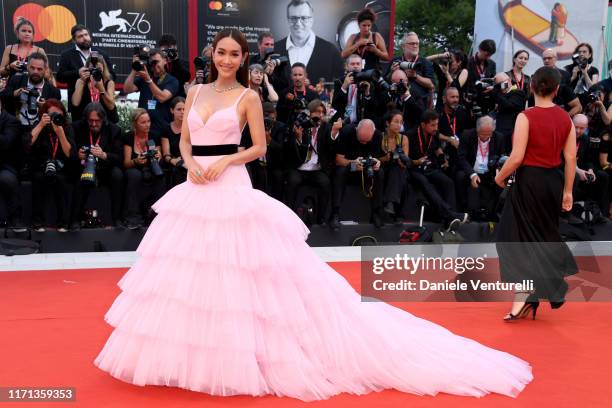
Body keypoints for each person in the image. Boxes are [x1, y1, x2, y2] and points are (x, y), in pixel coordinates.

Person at [94, 28, 532, 401]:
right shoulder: (192, 92)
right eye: (220, 52)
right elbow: (186, 139)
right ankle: (191, 355)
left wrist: (224, 163)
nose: (226, 59)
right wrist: (190, 163)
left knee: (241, 270)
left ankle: (245, 355)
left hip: (229, 182)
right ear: (212, 55)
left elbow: (259, 148)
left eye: (234, 54)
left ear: (243, 58)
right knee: (188, 276)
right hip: (195, 186)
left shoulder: (247, 96)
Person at [495, 66, 578, 321]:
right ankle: (530, 295)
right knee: (540, 236)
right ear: (556, 90)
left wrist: (499, 177)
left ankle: (525, 295)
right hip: (553, 182)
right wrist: (568, 191)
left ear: (531, 87)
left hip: (528, 182)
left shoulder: (525, 116)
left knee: (512, 238)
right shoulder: (566, 118)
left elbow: (517, 157)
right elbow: (571, 157)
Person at [24, 99, 75, 232]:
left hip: (61, 167)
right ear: (44, 114)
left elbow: (70, 154)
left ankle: (63, 223)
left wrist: (61, 134)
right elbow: (26, 145)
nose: (55, 118)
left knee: (61, 180)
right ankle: (37, 222)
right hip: (40, 166)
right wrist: (40, 125)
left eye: (59, 115)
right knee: (39, 179)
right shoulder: (39, 125)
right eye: (52, 114)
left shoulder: (67, 128)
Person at [274, 0, 344, 85]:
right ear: (288, 20)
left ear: (312, 20)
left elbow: (340, 84)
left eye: (304, 18)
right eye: (293, 18)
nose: (298, 23)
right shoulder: (275, 50)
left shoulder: (330, 50)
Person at [56, 24, 115, 121]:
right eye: (80, 36)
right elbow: (60, 77)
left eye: (86, 35)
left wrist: (100, 74)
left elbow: (112, 75)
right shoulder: (66, 55)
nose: (84, 38)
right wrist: (77, 73)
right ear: (74, 40)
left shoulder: (102, 54)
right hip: (79, 105)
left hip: (102, 103)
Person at [121, 109, 165, 229]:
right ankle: (133, 217)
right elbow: (126, 163)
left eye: (149, 121)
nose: (147, 125)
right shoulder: (128, 136)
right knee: (134, 175)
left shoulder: (154, 135)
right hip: (135, 167)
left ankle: (156, 215)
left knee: (160, 175)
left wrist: (158, 156)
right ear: (135, 124)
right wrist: (136, 161)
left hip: (151, 167)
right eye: (143, 122)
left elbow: (159, 158)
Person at [71, 53, 118, 123]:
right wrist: (82, 82)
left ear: (103, 68)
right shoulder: (81, 81)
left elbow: (111, 106)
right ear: (87, 68)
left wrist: (102, 89)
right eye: (92, 69)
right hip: (85, 121)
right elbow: (75, 103)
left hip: (104, 121)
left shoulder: (109, 83)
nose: (95, 71)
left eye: (98, 69)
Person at [161, 97, 188, 187]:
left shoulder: (190, 128)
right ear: (172, 110)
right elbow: (166, 154)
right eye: (179, 109)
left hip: (189, 162)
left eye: (184, 109)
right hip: (173, 163)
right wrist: (174, 161)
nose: (182, 112)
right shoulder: (166, 129)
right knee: (177, 171)